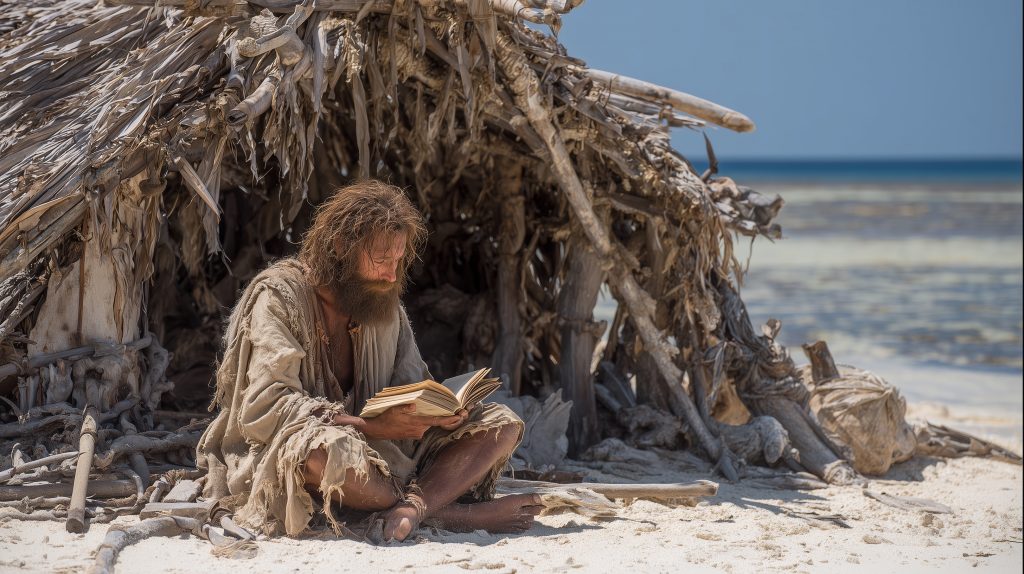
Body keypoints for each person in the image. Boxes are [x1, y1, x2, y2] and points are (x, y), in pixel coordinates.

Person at [197, 180, 542, 541]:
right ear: (340, 246)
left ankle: (413, 508)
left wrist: (441, 411)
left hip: (383, 456)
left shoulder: (381, 301)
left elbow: (412, 385)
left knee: (502, 423)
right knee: (322, 454)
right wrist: (370, 427)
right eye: (381, 260)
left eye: (397, 260)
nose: (392, 275)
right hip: (305, 452)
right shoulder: (280, 298)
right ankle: (450, 512)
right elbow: (264, 408)